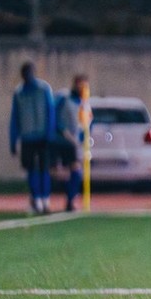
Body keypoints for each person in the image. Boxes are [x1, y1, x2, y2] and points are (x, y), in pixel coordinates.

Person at [9, 62, 55, 214]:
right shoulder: (19, 92)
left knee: (44, 169)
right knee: (31, 170)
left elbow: (50, 111)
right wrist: (13, 140)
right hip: (27, 137)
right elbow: (15, 118)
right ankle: (37, 200)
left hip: (43, 137)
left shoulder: (44, 89)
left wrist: (49, 133)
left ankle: (45, 200)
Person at [53, 74, 89, 212]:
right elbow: (55, 116)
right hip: (60, 140)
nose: (83, 88)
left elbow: (86, 124)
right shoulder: (64, 98)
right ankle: (41, 200)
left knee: (76, 171)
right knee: (55, 171)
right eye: (81, 85)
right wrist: (63, 131)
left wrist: (82, 138)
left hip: (73, 143)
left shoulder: (83, 103)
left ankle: (70, 200)